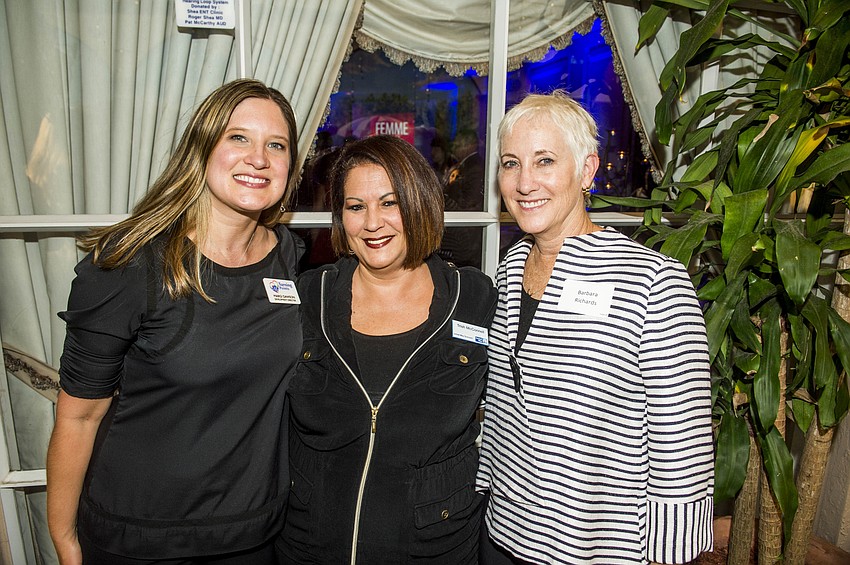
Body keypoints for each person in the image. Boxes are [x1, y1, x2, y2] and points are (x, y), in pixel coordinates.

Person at [46, 79, 303, 565]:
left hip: (256, 536)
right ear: (202, 148)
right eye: (238, 138)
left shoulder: (288, 258)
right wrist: (64, 540)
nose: (258, 158)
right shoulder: (129, 266)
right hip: (142, 539)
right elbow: (79, 416)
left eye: (276, 145)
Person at [476, 90, 714, 565]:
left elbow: (682, 446)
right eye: (510, 163)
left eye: (545, 161)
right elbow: (503, 403)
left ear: (586, 171)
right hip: (502, 531)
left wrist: (671, 554)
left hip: (597, 546)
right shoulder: (512, 263)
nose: (525, 182)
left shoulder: (652, 281)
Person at [276, 135, 497, 564]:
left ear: (420, 203)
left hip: (435, 550)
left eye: (390, 202)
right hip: (311, 547)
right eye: (356, 207)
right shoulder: (307, 298)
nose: (372, 223)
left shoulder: (473, 297)